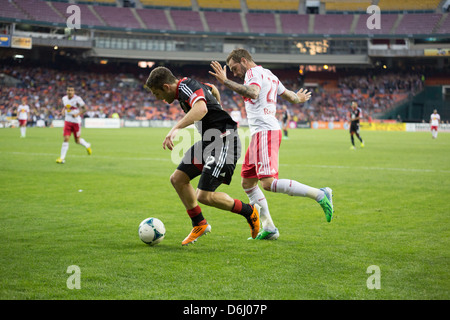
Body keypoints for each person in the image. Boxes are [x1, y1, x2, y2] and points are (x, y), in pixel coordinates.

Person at [209, 48, 334, 241]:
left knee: (267, 183)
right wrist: (298, 98)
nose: (234, 73)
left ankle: (320, 194)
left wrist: (225, 81)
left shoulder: (253, 73)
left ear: (243, 60)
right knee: (248, 182)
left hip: (265, 132)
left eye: (234, 68)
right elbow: (290, 96)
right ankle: (269, 227)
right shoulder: (269, 74)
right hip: (260, 133)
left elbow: (253, 92)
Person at [144, 66, 260, 246]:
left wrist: (175, 129)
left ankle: (249, 211)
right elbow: (211, 88)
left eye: (157, 94)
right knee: (178, 179)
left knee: (204, 196)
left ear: (166, 87)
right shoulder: (188, 87)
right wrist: (218, 105)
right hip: (209, 141)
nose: (159, 99)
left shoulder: (185, 87)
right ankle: (199, 223)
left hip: (224, 141)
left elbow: (201, 109)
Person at [56, 86, 92, 164]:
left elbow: (84, 109)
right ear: (66, 91)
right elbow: (65, 107)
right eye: (68, 90)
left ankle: (87, 145)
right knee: (66, 139)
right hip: (67, 121)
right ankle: (62, 158)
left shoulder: (77, 99)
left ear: (74, 92)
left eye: (71, 90)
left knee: (77, 141)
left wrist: (77, 114)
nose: (70, 92)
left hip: (76, 122)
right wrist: (62, 112)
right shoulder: (64, 98)